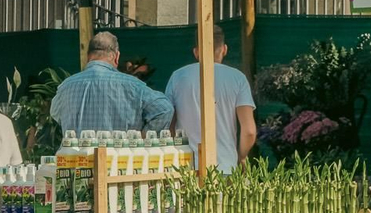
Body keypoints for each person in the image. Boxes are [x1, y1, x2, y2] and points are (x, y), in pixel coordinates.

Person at [164, 24, 257, 172]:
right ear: (225, 49)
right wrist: (241, 157)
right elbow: (249, 131)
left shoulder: (178, 76)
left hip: (185, 167)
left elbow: (168, 124)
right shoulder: (238, 78)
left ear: (196, 52)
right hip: (226, 166)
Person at [51, 30, 173, 136]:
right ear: (116, 56)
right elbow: (164, 109)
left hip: (74, 160)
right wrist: (142, 139)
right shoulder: (134, 85)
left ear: (88, 57)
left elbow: (55, 114)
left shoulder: (65, 86)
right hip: (119, 159)